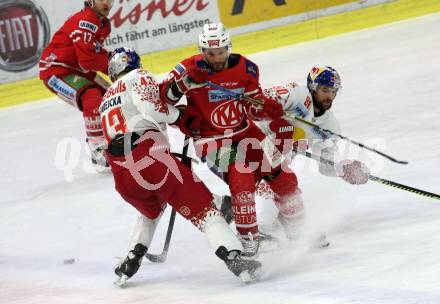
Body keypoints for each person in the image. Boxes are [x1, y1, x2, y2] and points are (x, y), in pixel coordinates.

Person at [100, 47, 262, 285]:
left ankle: (131, 259)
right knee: (206, 211)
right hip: (151, 159)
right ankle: (235, 258)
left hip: (122, 175)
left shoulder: (106, 99)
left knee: (150, 211)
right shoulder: (138, 76)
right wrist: (181, 117)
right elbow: (151, 109)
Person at [160, 23, 303, 259]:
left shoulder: (247, 69)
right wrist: (185, 83)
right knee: (242, 175)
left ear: (229, 47)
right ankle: (249, 242)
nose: (216, 58)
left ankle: (298, 228)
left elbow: (252, 106)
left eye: (221, 51)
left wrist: (267, 109)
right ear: (202, 50)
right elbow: (163, 98)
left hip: (246, 131)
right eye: (210, 53)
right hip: (211, 140)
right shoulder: (187, 67)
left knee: (284, 178)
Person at [222, 66, 371, 246]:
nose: (329, 96)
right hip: (245, 143)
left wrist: (343, 169)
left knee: (286, 187)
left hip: (274, 164)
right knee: (284, 139)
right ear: (312, 87)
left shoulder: (329, 125)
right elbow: (257, 102)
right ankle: (257, 228)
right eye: (325, 90)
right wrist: (272, 111)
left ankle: (258, 216)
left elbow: (326, 164)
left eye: (333, 91)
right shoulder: (296, 94)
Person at [39, 0, 114, 171]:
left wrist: (116, 65)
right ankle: (98, 150)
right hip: (56, 71)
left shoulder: (103, 23)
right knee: (93, 97)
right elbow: (88, 59)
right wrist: (115, 68)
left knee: (112, 95)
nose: (107, 3)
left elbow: (92, 53)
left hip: (76, 69)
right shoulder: (88, 20)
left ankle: (114, 140)